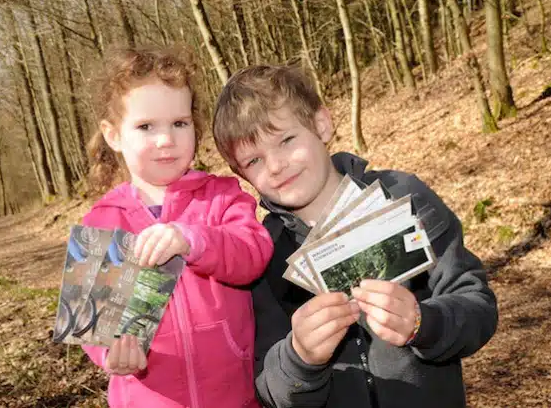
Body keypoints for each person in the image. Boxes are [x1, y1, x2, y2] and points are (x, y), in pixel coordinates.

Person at [212, 64, 498, 408]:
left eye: (286, 140)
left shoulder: (403, 198)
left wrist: (424, 323)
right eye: (254, 160)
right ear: (240, 174)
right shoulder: (260, 255)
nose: (275, 166)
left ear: (321, 124)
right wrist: (299, 356)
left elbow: (477, 305)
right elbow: (269, 388)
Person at [80, 46, 273, 408]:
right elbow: (92, 323)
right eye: (145, 126)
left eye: (179, 123)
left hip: (234, 396)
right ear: (113, 135)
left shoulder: (220, 196)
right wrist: (111, 354)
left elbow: (253, 253)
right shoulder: (103, 221)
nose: (166, 139)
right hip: (149, 398)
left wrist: (194, 239)